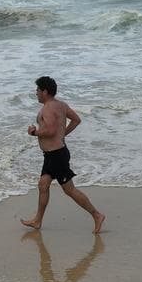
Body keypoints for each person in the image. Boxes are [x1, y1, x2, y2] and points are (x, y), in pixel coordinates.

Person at [21, 76, 107, 233]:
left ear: (45, 91)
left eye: (38, 90)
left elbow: (51, 130)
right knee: (43, 185)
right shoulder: (61, 105)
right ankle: (37, 221)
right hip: (53, 155)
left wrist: (34, 132)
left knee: (70, 190)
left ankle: (97, 215)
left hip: (56, 155)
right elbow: (76, 120)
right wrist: (63, 134)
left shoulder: (47, 108)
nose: (36, 93)